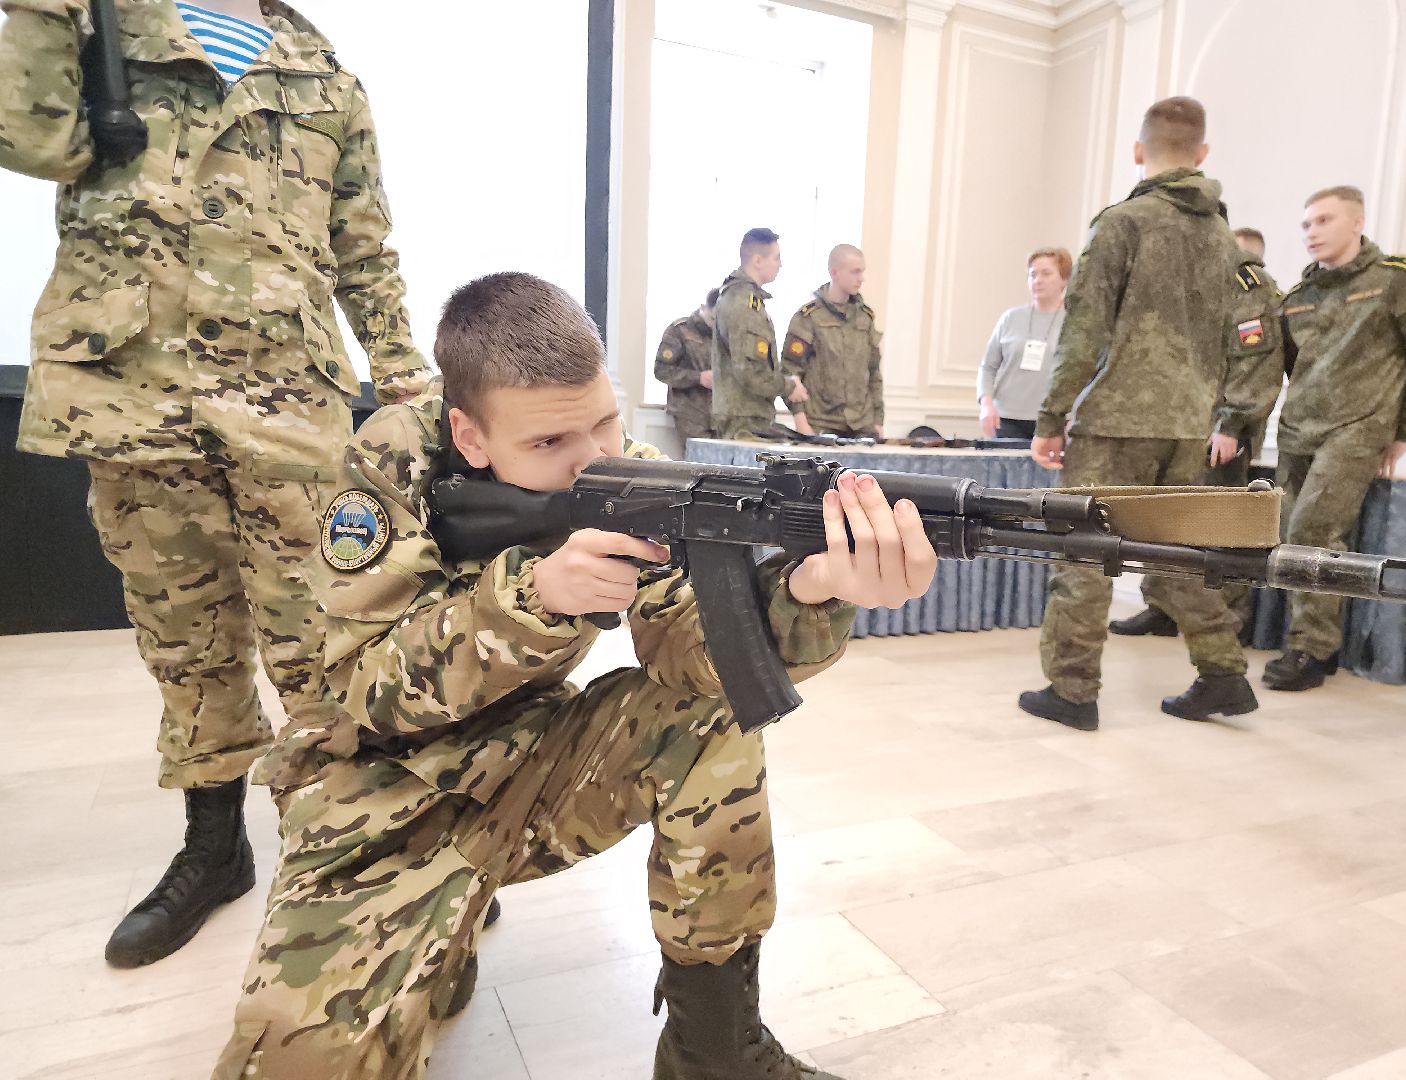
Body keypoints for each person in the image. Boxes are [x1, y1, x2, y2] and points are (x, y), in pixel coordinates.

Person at [211, 272, 937, 1079]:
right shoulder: (389, 467)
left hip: (532, 764)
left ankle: (715, 1053)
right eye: (551, 443)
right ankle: (435, 933)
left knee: (711, 718)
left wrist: (809, 590)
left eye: (604, 423)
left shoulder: (634, 473)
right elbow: (362, 686)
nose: (593, 461)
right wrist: (533, 599)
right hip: (377, 802)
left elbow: (688, 654)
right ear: (471, 434)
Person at [0, 0, 433, 966]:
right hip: (135, 391)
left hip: (288, 401)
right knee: (184, 636)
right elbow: (28, 136)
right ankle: (214, 844)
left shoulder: (328, 77)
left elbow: (364, 248)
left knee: (319, 635)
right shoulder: (105, 26)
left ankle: (351, 838)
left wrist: (409, 384)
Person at [1021, 96, 1258, 731]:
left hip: (1118, 419)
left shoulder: (1123, 223)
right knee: (1176, 551)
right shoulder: (1224, 239)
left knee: (1085, 550)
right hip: (1187, 423)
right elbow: (1239, 336)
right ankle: (1223, 672)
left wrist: (1050, 417)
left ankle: (1071, 691)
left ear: (1138, 151)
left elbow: (1085, 329)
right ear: (1202, 154)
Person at [1262, 186, 1406, 691]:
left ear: (1357, 221)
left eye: (1322, 221)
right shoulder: (1298, 297)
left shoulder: (1398, 281)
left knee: (1312, 530)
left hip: (1359, 428)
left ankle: (1311, 650)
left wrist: (1405, 428)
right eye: (1305, 225)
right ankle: (1308, 639)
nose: (1311, 232)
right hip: (1298, 430)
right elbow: (1293, 368)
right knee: (1288, 534)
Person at [1110, 229, 1285, 639]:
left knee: (1220, 526)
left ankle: (1227, 618)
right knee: (1169, 521)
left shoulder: (1248, 285)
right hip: (1182, 424)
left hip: (1219, 430)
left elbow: (1255, 364)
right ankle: (1164, 607)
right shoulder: (1199, 283)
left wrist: (1231, 424)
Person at [712, 227, 807, 440]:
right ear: (757, 260)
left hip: (750, 415)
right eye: (776, 258)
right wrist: (788, 386)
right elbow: (749, 370)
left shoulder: (747, 299)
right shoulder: (744, 304)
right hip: (743, 419)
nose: (780, 264)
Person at [783, 244, 886, 439]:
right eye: (855, 272)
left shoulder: (865, 317)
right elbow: (790, 372)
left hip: (861, 424)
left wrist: (878, 421)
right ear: (835, 272)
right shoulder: (808, 317)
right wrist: (801, 422)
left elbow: (874, 373)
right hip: (821, 423)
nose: (861, 278)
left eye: (862, 272)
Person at [976, 248, 1072, 441]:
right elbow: (988, 367)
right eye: (1033, 274)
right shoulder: (1010, 318)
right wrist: (986, 404)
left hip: (1054, 420)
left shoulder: (1074, 323)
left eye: (1046, 274)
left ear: (1063, 279)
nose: (1038, 280)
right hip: (1007, 418)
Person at [654, 288, 720, 447]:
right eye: (713, 319)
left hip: (721, 416)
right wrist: (698, 378)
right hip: (691, 413)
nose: (715, 325)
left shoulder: (726, 333)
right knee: (699, 467)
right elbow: (661, 370)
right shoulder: (680, 330)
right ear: (704, 307)